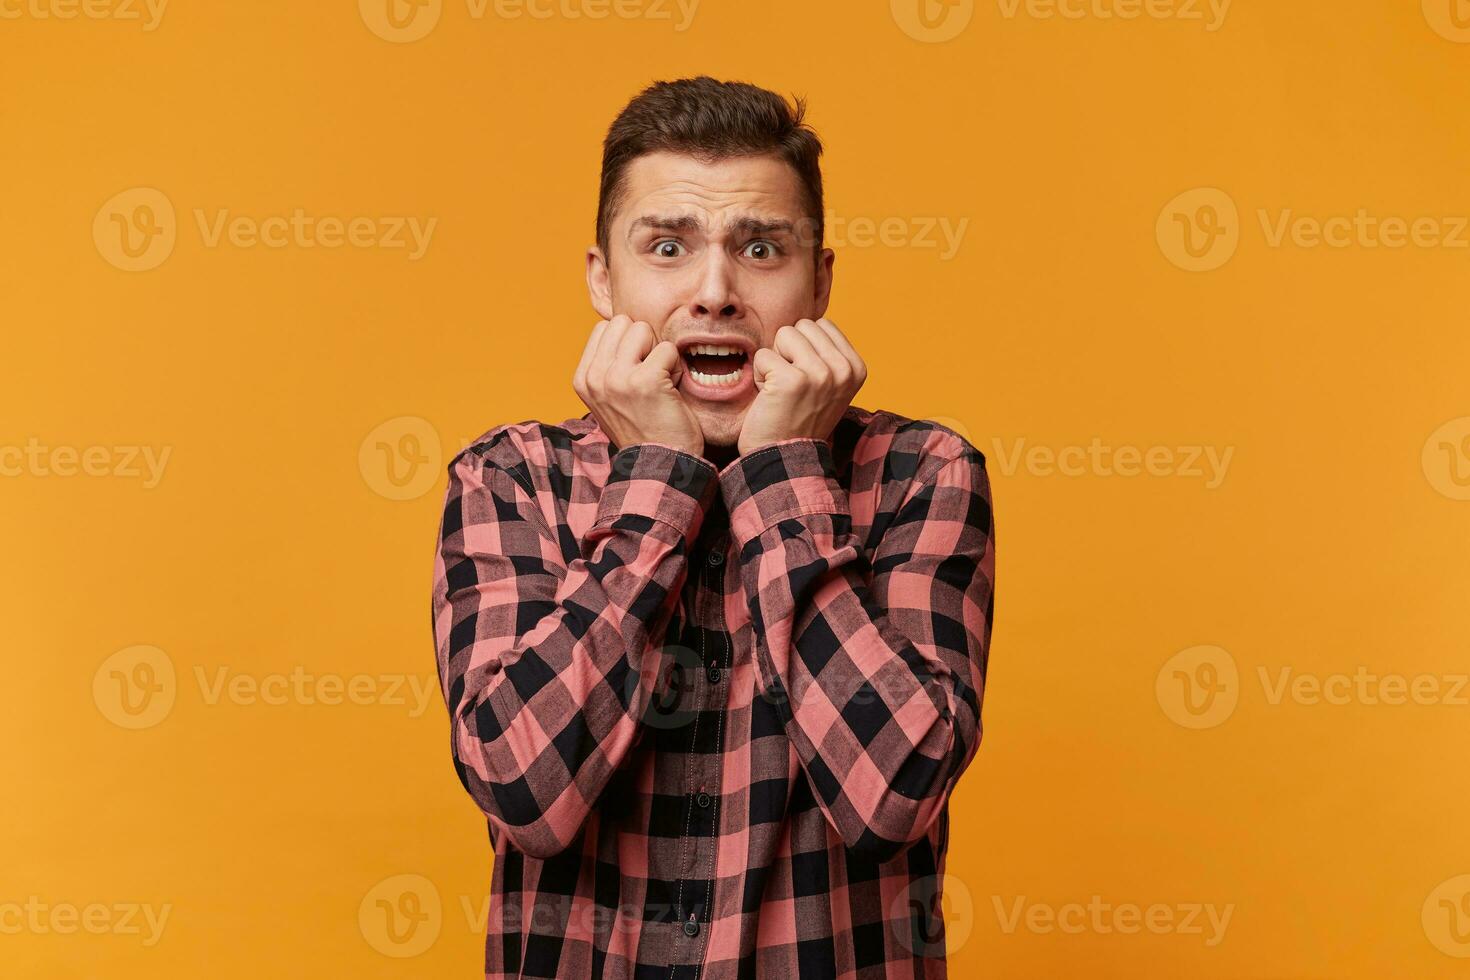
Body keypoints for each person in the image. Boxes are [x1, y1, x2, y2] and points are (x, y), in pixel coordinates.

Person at [430, 75, 996, 979]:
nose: (715, 292)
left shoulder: (921, 474)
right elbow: (522, 790)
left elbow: (895, 793)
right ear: (601, 280)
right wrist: (660, 484)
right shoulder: (511, 478)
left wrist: (780, 480)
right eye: (667, 246)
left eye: (763, 248)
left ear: (820, 282)